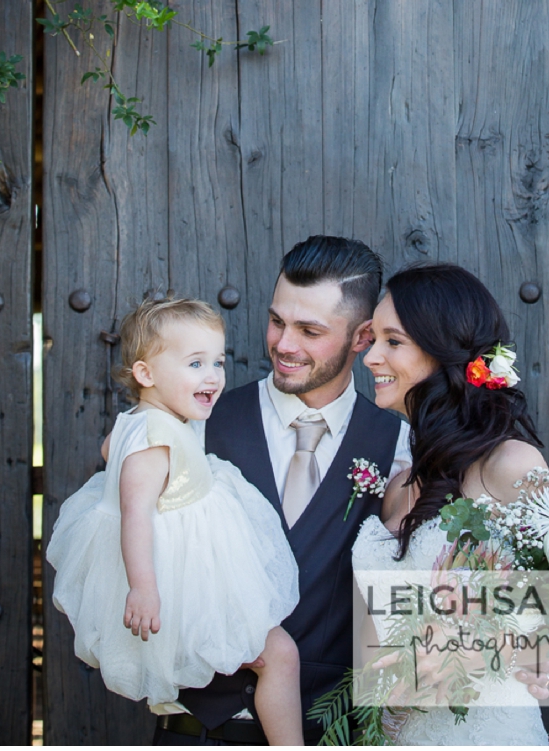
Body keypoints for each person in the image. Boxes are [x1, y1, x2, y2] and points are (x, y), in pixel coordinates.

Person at [154, 235, 410, 746]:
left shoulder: (401, 443)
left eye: (310, 330)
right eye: (277, 321)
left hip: (331, 734)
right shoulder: (194, 421)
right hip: (196, 731)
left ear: (362, 338)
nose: (284, 345)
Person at [46, 296, 302, 747]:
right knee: (280, 653)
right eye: (195, 363)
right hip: (176, 584)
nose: (213, 376)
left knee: (270, 654)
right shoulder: (155, 442)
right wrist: (143, 588)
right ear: (146, 374)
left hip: (185, 571)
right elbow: (136, 516)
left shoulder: (140, 422)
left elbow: (110, 451)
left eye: (218, 362)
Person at [354, 262, 549, 746]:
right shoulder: (398, 487)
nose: (370, 357)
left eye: (392, 341)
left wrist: (473, 652)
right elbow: (373, 651)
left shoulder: (510, 466)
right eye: (373, 339)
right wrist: (386, 693)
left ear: (443, 350)